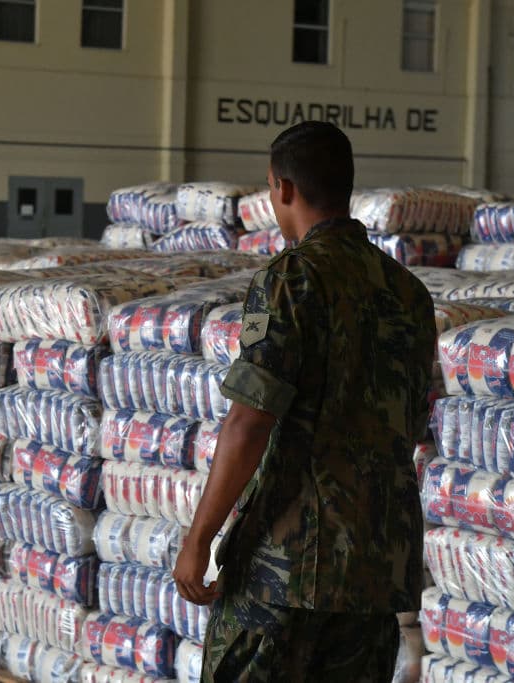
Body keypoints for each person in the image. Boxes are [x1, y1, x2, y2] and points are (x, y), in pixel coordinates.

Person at [172, 121, 437, 682]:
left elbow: (249, 420)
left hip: (288, 566)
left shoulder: (293, 278)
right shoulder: (407, 291)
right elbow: (412, 426)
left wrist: (199, 540)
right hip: (376, 567)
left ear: (284, 189)